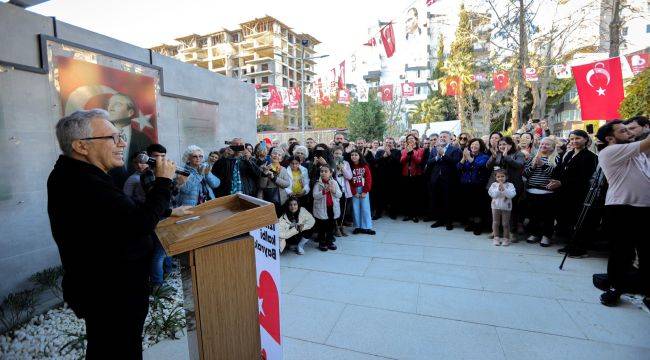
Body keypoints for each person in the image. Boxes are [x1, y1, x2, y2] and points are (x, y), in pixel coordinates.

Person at [48, 109, 191, 358]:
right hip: (111, 295)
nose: (123, 143)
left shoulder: (79, 174)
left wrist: (167, 212)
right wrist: (163, 181)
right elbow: (140, 222)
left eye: (121, 136)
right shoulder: (83, 182)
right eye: (113, 138)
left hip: (108, 290)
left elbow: (119, 216)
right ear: (81, 146)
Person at [596, 121, 650, 307]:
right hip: (622, 208)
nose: (628, 132)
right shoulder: (609, 152)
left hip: (645, 208)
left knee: (646, 253)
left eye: (630, 129)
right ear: (610, 138)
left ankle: (646, 290)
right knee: (621, 252)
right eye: (623, 130)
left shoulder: (638, 153)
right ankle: (615, 288)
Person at [549, 130, 597, 257]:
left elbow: (583, 177)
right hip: (565, 194)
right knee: (567, 221)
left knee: (578, 221)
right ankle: (570, 244)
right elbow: (561, 169)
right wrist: (556, 180)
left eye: (578, 138)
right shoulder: (569, 154)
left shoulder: (590, 157)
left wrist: (562, 182)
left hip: (579, 194)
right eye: (572, 139)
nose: (574, 141)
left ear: (586, 139)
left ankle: (579, 248)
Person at [486, 137, 526, 238]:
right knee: (496, 208)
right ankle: (495, 232)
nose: (502, 147)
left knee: (511, 209)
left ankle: (511, 232)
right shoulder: (497, 154)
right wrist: (493, 157)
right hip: (497, 186)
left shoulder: (519, 154)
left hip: (512, 186)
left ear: (511, 145)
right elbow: (488, 166)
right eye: (500, 145)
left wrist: (506, 156)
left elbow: (519, 165)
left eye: (504, 144)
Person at [523, 137, 558, 247]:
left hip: (547, 192)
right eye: (542, 144)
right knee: (533, 215)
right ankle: (534, 234)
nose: (543, 146)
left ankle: (546, 236)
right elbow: (525, 174)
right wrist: (533, 166)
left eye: (547, 144)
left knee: (547, 216)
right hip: (532, 190)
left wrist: (542, 165)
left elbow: (555, 174)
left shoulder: (556, 158)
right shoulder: (533, 157)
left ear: (552, 147)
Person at [428, 131, 462, 230]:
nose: (442, 138)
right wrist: (437, 157)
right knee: (437, 200)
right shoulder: (434, 149)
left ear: (449, 139)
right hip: (436, 179)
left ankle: (449, 222)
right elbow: (429, 163)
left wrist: (443, 155)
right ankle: (440, 220)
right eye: (441, 136)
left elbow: (456, 163)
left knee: (448, 201)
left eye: (445, 137)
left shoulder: (455, 150)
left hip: (448, 180)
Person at [457, 138, 490, 235]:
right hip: (466, 184)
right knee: (468, 204)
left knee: (478, 206)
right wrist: (464, 157)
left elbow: (479, 166)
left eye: (476, 144)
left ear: (480, 146)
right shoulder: (467, 155)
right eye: (472, 145)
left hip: (478, 185)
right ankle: (470, 223)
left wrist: (469, 158)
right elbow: (458, 168)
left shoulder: (484, 156)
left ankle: (478, 225)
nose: (473, 146)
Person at [312, 165, 342, 251]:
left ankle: (329, 241)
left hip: (332, 208)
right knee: (322, 226)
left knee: (331, 225)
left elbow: (339, 195)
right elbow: (315, 196)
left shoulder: (334, 183)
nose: (323, 173)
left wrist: (333, 191)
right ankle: (322, 242)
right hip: (321, 209)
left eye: (326, 171)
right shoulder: (318, 183)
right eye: (322, 171)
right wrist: (324, 191)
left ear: (330, 173)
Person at [373, 137, 401, 219]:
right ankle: (378, 213)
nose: (388, 144)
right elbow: (375, 162)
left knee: (393, 196)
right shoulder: (379, 152)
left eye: (390, 142)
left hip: (393, 178)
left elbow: (398, 162)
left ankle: (392, 213)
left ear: (393, 144)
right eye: (387, 142)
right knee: (380, 196)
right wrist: (383, 157)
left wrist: (390, 154)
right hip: (381, 177)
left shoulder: (397, 151)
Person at [258, 147, 291, 215]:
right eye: (274, 154)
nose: (276, 156)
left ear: (281, 159)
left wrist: (274, 178)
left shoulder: (283, 169)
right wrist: (264, 174)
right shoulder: (263, 167)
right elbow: (262, 186)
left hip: (281, 199)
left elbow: (287, 184)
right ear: (270, 156)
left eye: (279, 155)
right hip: (267, 197)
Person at [349, 149, 375, 235]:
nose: (354, 156)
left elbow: (368, 179)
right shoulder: (349, 167)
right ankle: (357, 227)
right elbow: (349, 180)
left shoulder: (365, 166)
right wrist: (354, 192)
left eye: (356, 155)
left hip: (364, 189)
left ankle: (367, 227)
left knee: (365, 208)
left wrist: (365, 191)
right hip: (354, 190)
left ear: (360, 156)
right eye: (352, 155)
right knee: (355, 208)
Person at [400, 134, 425, 222]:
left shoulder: (421, 150)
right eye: (408, 139)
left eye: (412, 138)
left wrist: (412, 153)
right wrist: (408, 153)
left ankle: (415, 215)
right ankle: (408, 214)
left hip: (416, 175)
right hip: (406, 175)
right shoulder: (403, 150)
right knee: (407, 195)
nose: (410, 140)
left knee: (415, 196)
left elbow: (418, 161)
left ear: (416, 140)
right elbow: (402, 161)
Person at [488, 169, 517, 246]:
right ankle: (496, 238)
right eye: (498, 176)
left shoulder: (510, 185)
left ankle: (506, 238)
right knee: (495, 222)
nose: (500, 178)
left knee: (505, 223)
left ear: (506, 177)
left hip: (506, 207)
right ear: (495, 177)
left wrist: (504, 189)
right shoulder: (494, 185)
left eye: (502, 176)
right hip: (495, 206)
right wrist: (498, 189)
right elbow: (493, 195)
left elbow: (511, 195)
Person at [332, 146, 353, 236]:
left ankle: (342, 226)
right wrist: (335, 169)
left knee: (344, 210)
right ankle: (336, 227)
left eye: (340, 153)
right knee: (336, 210)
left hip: (345, 189)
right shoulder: (330, 163)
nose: (338, 155)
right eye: (336, 153)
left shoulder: (346, 163)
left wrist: (343, 168)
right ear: (333, 154)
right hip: (335, 190)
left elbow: (349, 176)